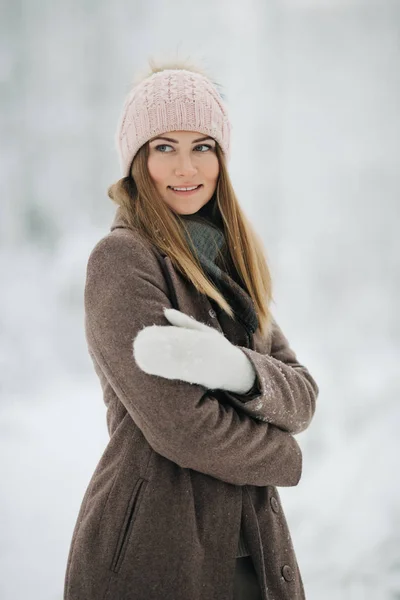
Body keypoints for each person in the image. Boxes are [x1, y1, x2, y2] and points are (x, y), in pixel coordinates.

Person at [63, 59, 319, 600]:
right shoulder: (122, 260)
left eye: (202, 146)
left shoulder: (228, 260)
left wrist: (240, 370)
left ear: (222, 159)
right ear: (138, 158)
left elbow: (300, 395)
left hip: (254, 546)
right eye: (164, 147)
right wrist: (285, 455)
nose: (186, 167)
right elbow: (181, 428)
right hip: (156, 549)